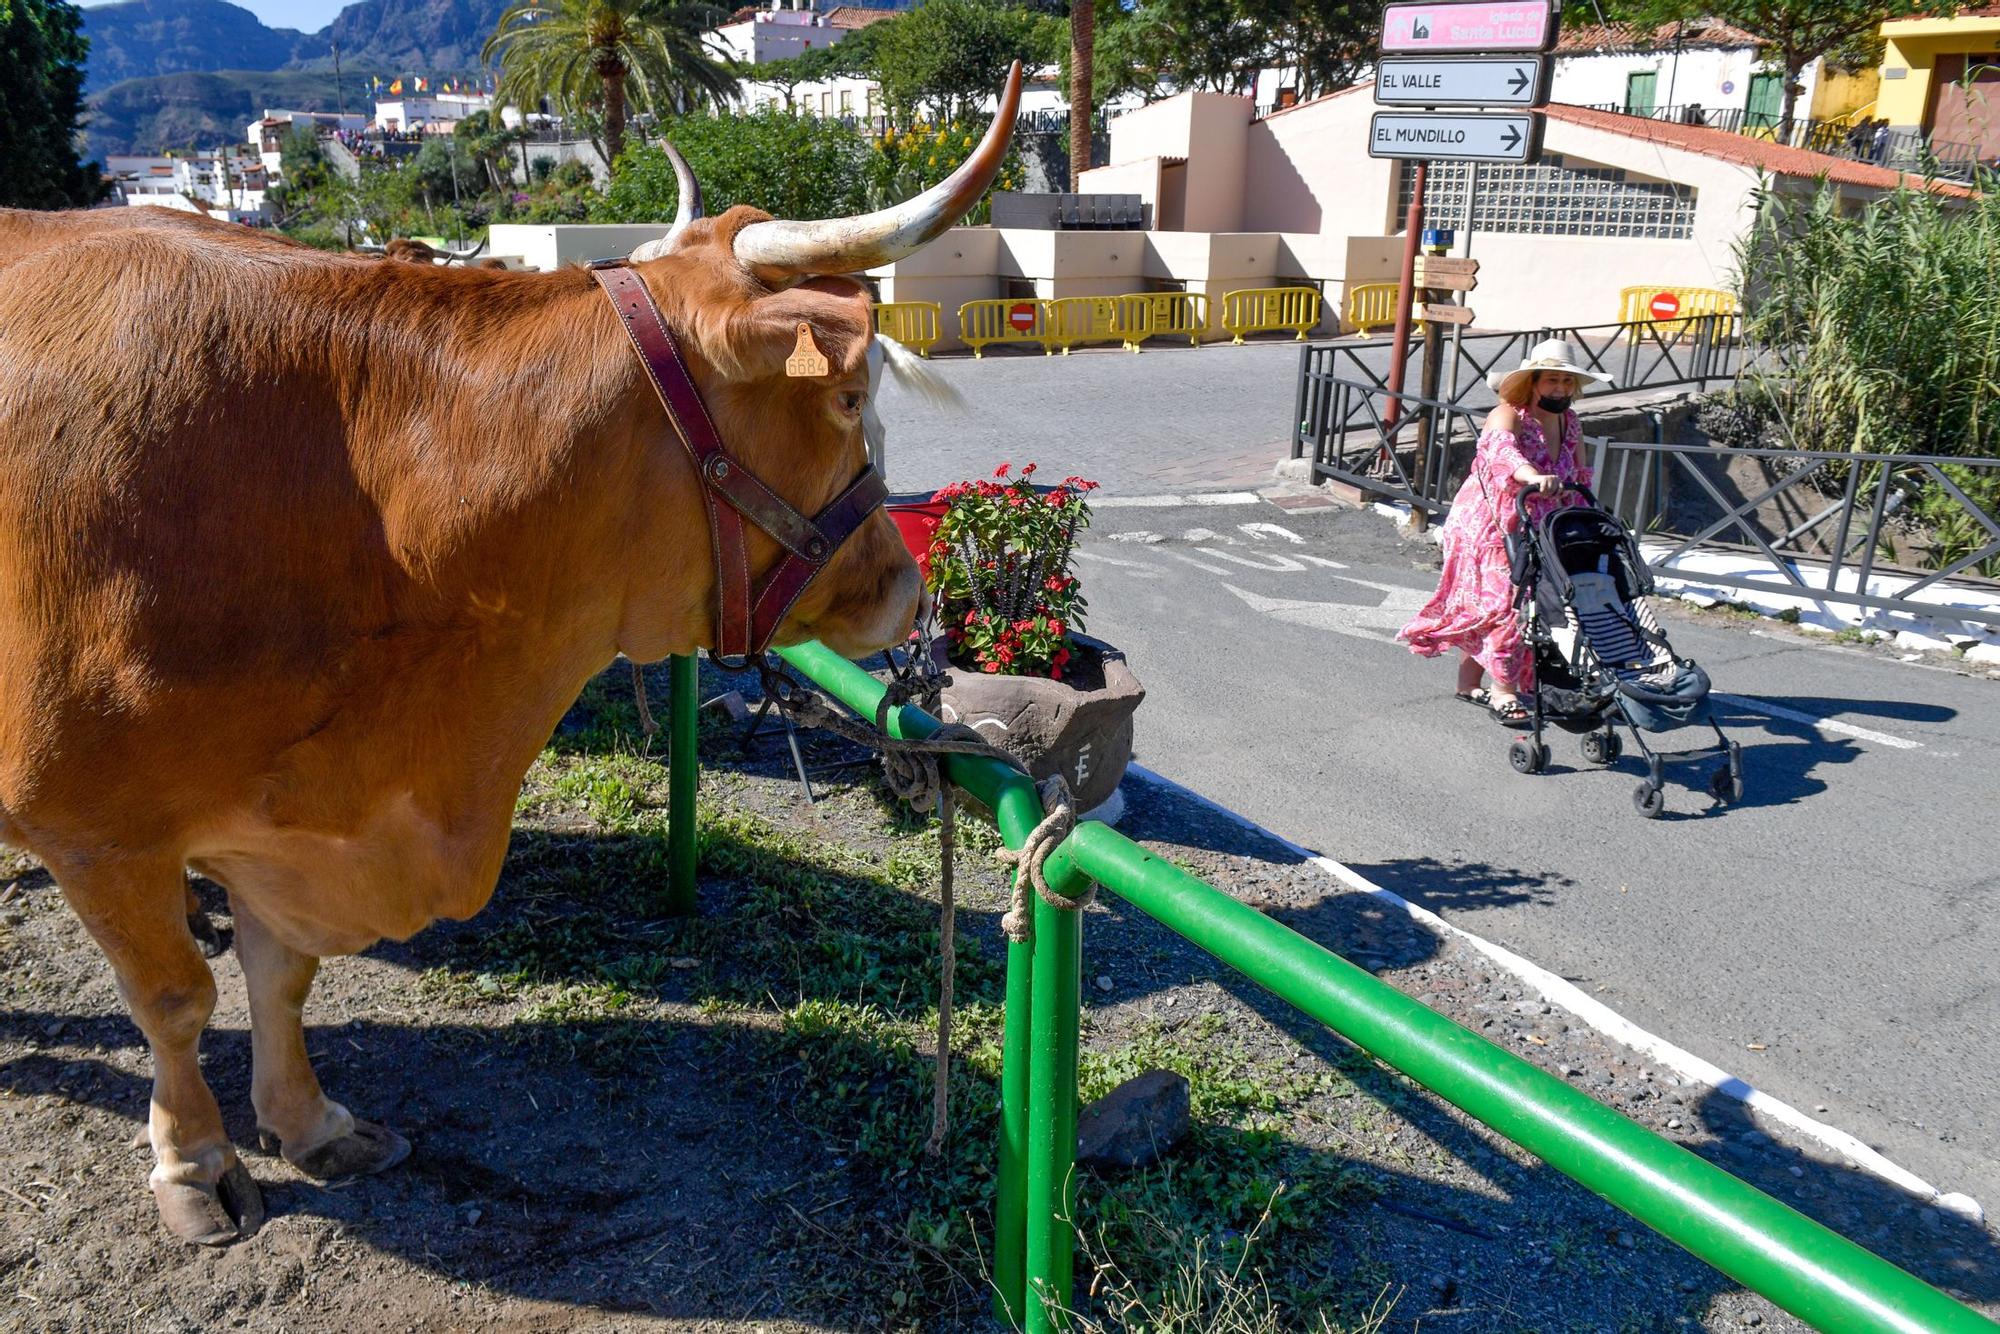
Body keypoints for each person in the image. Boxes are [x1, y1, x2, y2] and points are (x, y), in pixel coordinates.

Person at [1398, 339, 1610, 725]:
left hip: (1539, 522)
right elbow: (1502, 454)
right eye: (1552, 380)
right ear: (1532, 382)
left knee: (1501, 603)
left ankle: (1467, 684)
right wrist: (1533, 475)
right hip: (1490, 521)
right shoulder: (1506, 414)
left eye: (1567, 381)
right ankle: (1503, 690)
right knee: (1509, 602)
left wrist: (1585, 512)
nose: (1560, 388)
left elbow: (1580, 472)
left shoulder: (1571, 420)